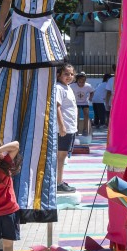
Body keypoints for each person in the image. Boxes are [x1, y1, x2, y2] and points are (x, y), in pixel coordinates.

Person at [0, 0, 114, 223]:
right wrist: (0, 31)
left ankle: (35, 190)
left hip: (43, 33)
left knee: (40, 105)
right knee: (10, 94)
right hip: (19, 31)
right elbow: (6, 1)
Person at [55, 64, 78, 193]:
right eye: (66, 74)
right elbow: (58, 107)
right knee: (61, 156)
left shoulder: (68, 87)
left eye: (71, 74)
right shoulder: (59, 88)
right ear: (59, 75)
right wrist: (62, 125)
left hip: (71, 127)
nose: (69, 76)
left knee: (63, 155)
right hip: (64, 128)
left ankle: (59, 180)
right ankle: (58, 182)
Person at [71, 72, 94, 138]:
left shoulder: (88, 86)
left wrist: (90, 98)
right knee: (76, 116)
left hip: (84, 103)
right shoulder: (72, 86)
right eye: (80, 82)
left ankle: (85, 130)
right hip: (76, 103)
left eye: (83, 82)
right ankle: (76, 130)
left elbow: (92, 92)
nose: (81, 84)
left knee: (86, 114)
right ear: (77, 81)